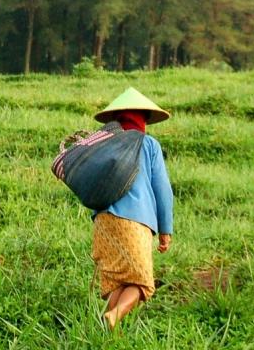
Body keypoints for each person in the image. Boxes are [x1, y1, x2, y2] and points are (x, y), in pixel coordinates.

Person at [90, 87, 174, 331]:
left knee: (118, 282)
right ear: (143, 118)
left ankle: (104, 335)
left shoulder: (104, 143)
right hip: (135, 221)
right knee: (142, 284)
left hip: (103, 221)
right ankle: (113, 317)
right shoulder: (149, 145)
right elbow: (163, 189)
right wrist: (166, 229)